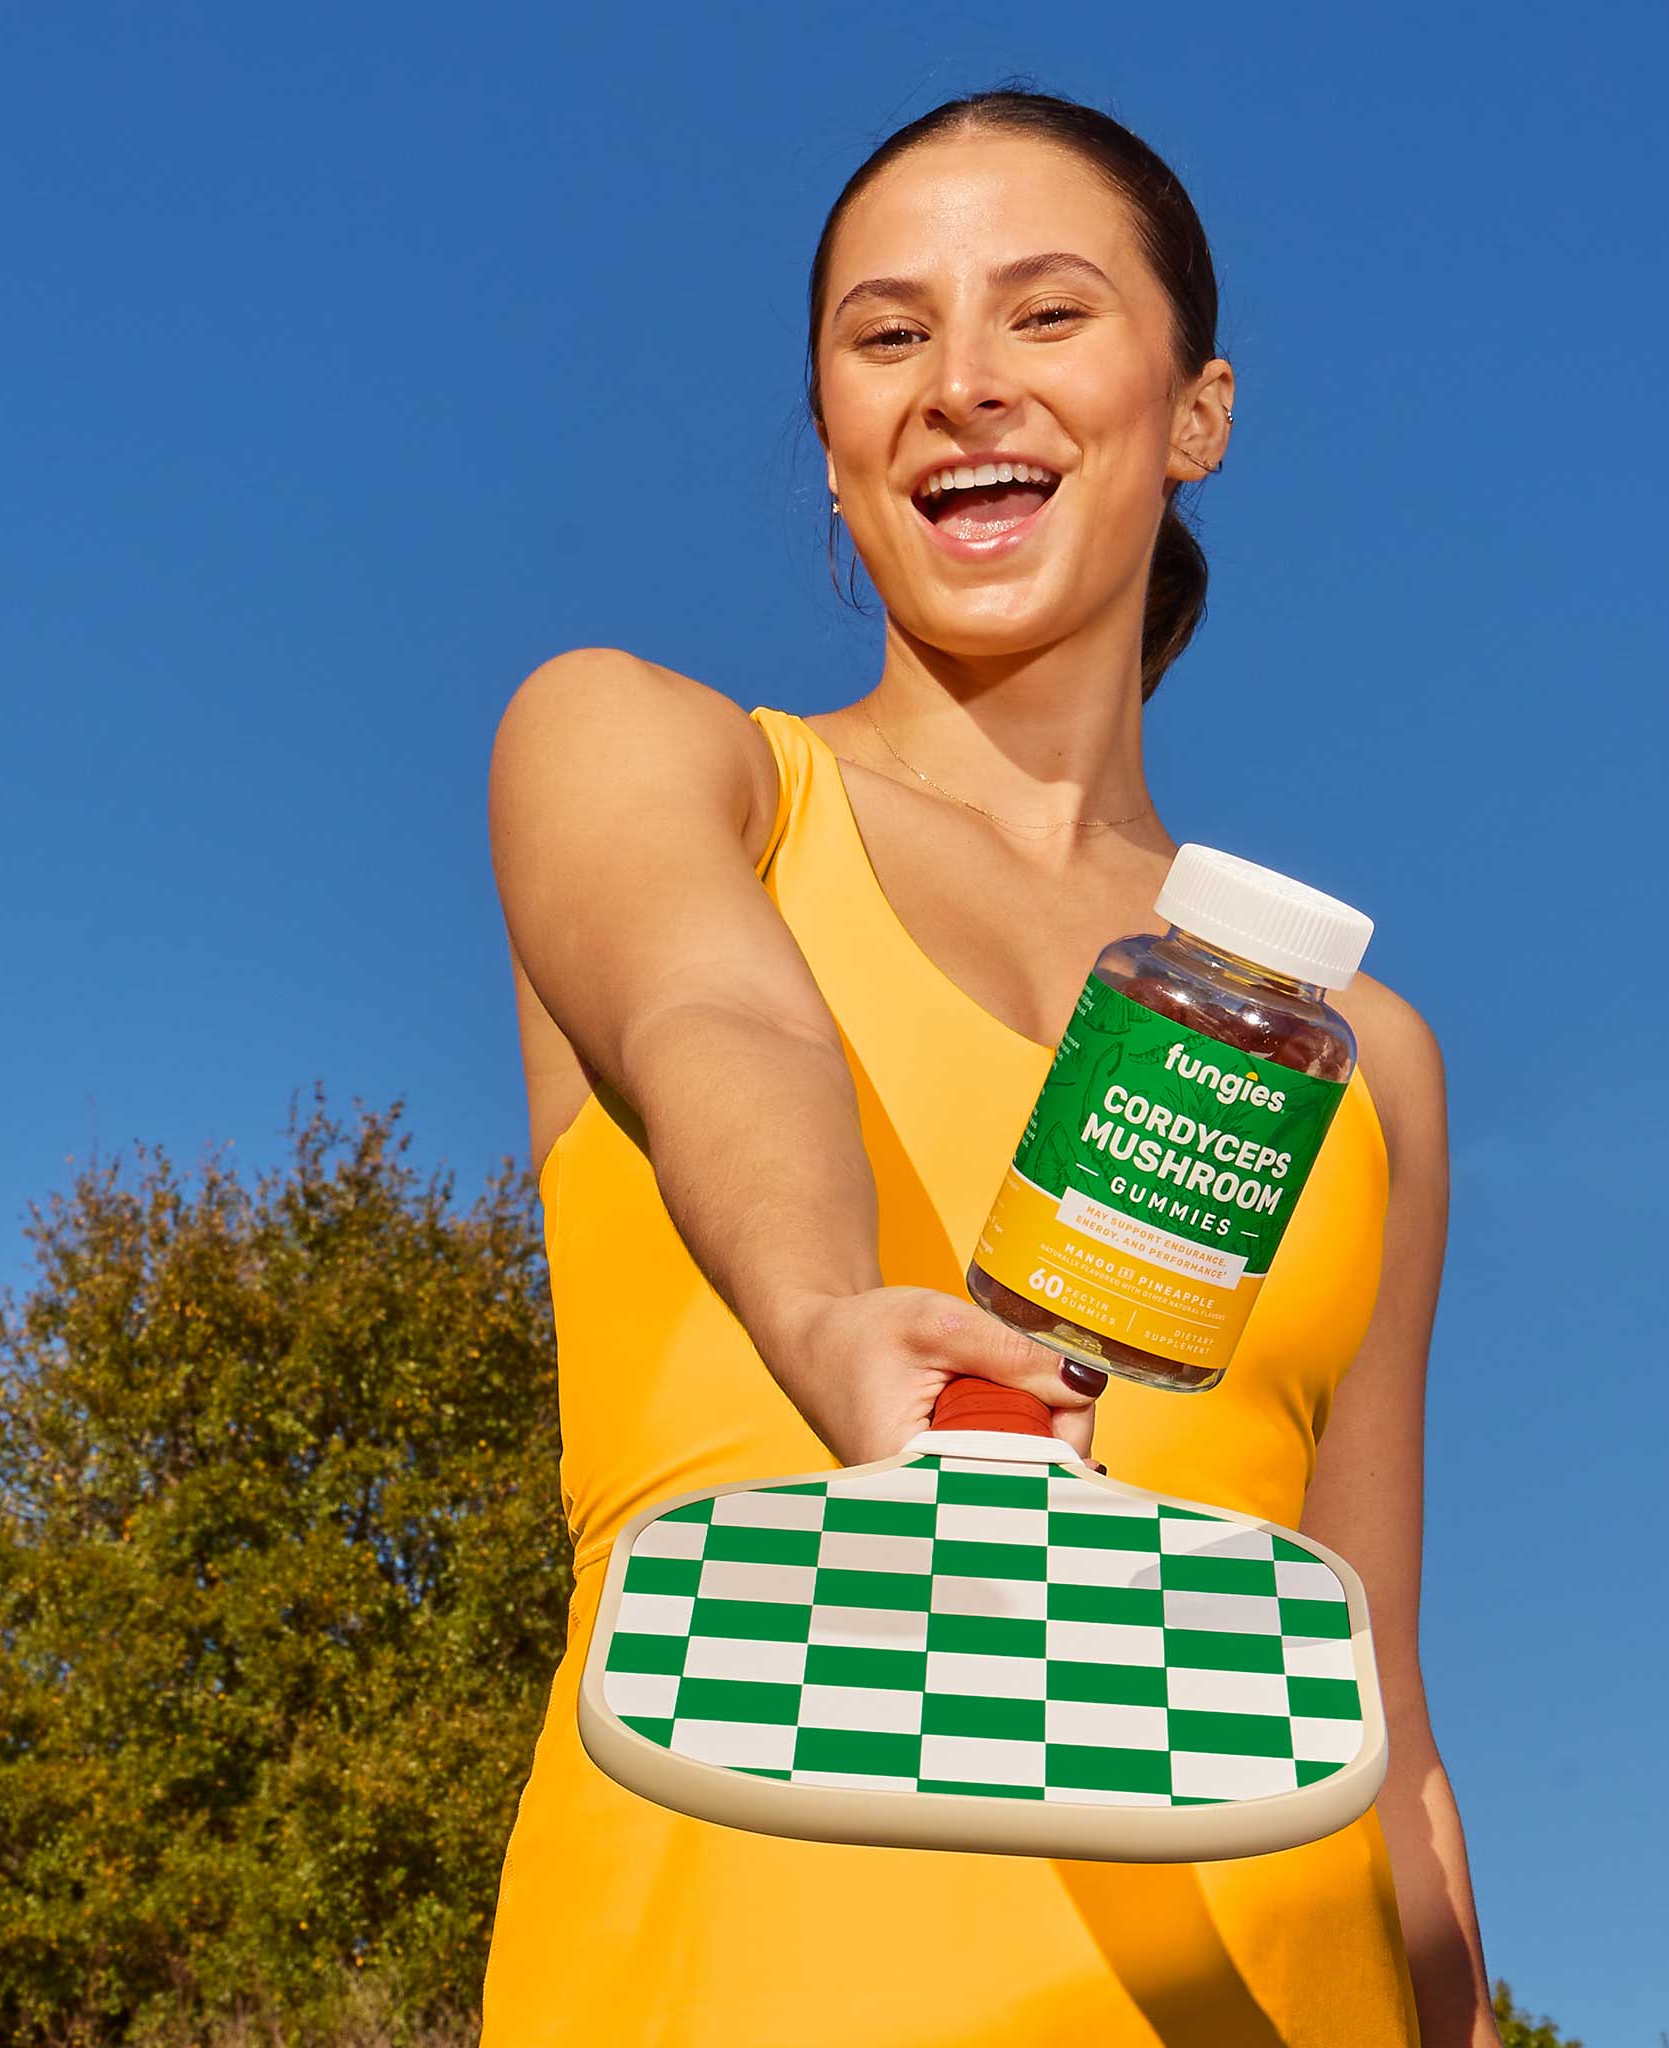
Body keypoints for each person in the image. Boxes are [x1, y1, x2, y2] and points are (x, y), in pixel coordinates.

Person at [480, 85, 1497, 2048]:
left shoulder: (1360, 1056)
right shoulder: (654, 755)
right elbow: (722, 1011)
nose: (961, 384)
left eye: (1043, 316)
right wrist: (824, 1309)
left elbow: (1376, 1702)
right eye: (887, 335)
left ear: (1195, 410)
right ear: (834, 447)